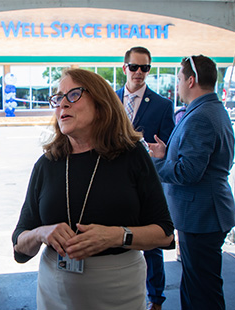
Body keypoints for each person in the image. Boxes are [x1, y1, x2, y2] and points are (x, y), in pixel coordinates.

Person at [12, 68, 174, 310]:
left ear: (101, 104)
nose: (62, 104)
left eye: (73, 95)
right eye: (58, 98)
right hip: (55, 294)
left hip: (120, 293)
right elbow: (19, 246)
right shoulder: (47, 164)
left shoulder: (131, 156)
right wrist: (41, 233)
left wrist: (116, 236)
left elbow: (165, 233)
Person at [149, 55, 235, 310]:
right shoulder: (212, 110)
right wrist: (168, 154)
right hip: (205, 214)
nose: (177, 85)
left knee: (202, 292)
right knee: (198, 285)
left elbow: (189, 172)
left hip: (202, 217)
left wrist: (155, 165)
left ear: (191, 80)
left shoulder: (200, 117)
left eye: (178, 79)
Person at [115, 46, 175, 310]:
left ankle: (156, 299)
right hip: (112, 182)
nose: (139, 73)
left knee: (151, 244)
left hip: (147, 183)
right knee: (116, 239)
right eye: (134, 67)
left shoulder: (162, 105)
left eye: (145, 68)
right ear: (124, 67)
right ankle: (117, 293)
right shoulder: (109, 99)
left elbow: (169, 148)